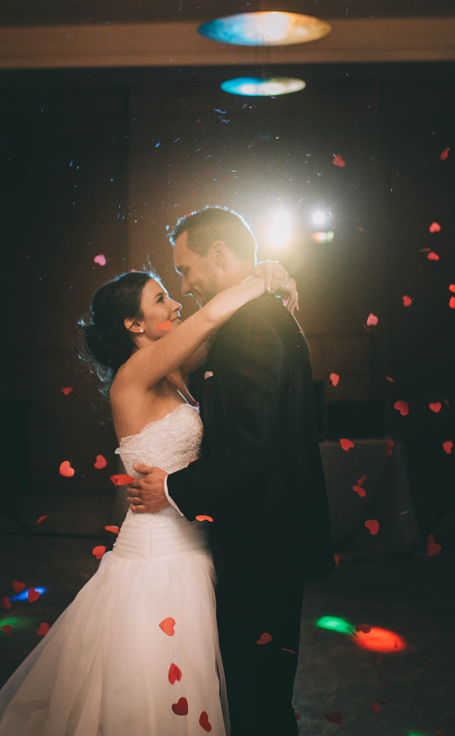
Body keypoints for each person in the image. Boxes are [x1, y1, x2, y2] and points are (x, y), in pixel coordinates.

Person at [0, 254, 299, 736]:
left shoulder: (172, 367)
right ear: (133, 323)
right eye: (160, 298)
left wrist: (281, 294)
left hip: (193, 546)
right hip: (157, 558)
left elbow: (241, 344)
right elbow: (212, 315)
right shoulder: (135, 373)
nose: (175, 303)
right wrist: (261, 277)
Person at [127, 206, 333, 736]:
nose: (184, 284)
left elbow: (251, 446)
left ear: (219, 255)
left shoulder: (251, 327)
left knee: (254, 693)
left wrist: (171, 488)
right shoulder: (250, 316)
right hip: (266, 537)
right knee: (254, 689)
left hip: (263, 542)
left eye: (186, 268)